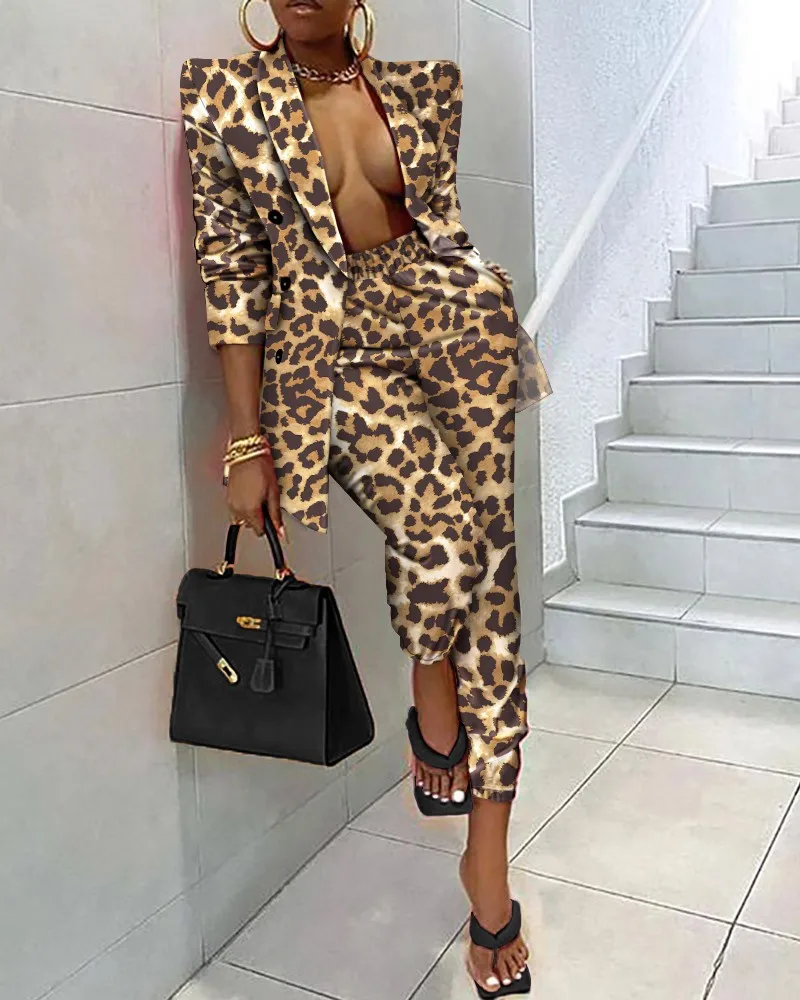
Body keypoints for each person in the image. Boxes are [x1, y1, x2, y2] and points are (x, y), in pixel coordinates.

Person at [179, 0, 551, 994]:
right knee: (439, 534)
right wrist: (247, 435)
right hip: (332, 360)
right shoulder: (222, 97)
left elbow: (438, 230)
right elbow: (233, 277)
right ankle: (430, 698)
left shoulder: (424, 90)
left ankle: (487, 868)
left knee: (494, 590)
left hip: (453, 330)